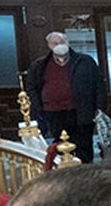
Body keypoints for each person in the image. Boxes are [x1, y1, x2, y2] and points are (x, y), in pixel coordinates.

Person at [25, 31, 105, 161]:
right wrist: (39, 106)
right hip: (54, 113)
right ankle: (65, 173)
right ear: (49, 46)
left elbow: (98, 84)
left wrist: (100, 107)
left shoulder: (85, 61)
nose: (59, 45)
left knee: (83, 144)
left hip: (81, 111)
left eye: (62, 42)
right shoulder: (40, 65)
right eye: (55, 43)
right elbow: (31, 87)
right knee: (60, 146)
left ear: (67, 43)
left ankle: (85, 172)